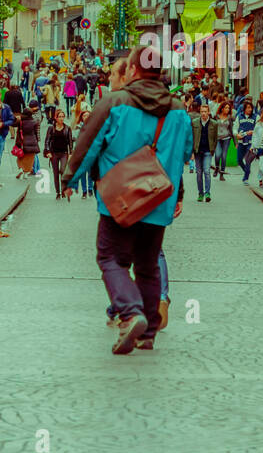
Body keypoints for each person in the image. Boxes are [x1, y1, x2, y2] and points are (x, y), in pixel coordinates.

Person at [62, 44, 192, 354]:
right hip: (158, 198)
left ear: (132, 70)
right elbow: (184, 153)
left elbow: (88, 144)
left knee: (111, 258)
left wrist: (70, 179)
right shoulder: (178, 110)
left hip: (119, 199)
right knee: (148, 265)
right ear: (161, 72)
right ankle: (148, 332)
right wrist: (180, 192)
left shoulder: (115, 102)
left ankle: (130, 312)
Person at [190, 103, 218, 202]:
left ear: (208, 112)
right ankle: (200, 193)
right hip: (197, 151)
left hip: (207, 151)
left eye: (205, 112)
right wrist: (191, 152)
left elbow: (215, 138)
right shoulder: (194, 122)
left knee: (206, 171)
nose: (203, 114)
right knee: (198, 173)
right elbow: (191, 137)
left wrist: (212, 150)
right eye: (202, 111)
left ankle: (207, 193)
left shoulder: (214, 124)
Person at [46, 108, 74, 199]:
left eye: (63, 116)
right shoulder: (51, 128)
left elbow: (70, 141)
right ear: (56, 118)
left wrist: (70, 153)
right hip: (54, 153)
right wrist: (48, 152)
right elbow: (47, 141)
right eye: (60, 117)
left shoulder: (67, 128)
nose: (62, 118)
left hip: (64, 153)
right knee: (55, 173)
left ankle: (63, 190)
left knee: (62, 170)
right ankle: (58, 192)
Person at [234, 100, 258, 185]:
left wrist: (254, 131)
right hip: (241, 141)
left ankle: (245, 178)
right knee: (239, 160)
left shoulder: (256, 117)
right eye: (248, 107)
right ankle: (246, 170)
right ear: (244, 108)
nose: (250, 109)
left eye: (251, 107)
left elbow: (259, 128)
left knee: (248, 159)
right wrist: (236, 134)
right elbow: (235, 128)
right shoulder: (239, 117)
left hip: (251, 142)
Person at [14, 106, 41, 178]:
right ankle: (26, 172)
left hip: (22, 142)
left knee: (20, 156)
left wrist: (16, 118)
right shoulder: (34, 122)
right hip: (32, 142)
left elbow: (13, 124)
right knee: (30, 158)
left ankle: (20, 168)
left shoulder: (20, 122)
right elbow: (36, 133)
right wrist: (37, 141)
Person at [213, 100, 234, 180]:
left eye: (228, 108)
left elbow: (231, 129)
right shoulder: (216, 116)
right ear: (222, 109)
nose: (227, 109)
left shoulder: (230, 118)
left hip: (226, 138)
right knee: (218, 154)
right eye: (226, 108)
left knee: (224, 156)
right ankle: (217, 168)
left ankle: (222, 174)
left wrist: (235, 142)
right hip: (217, 138)